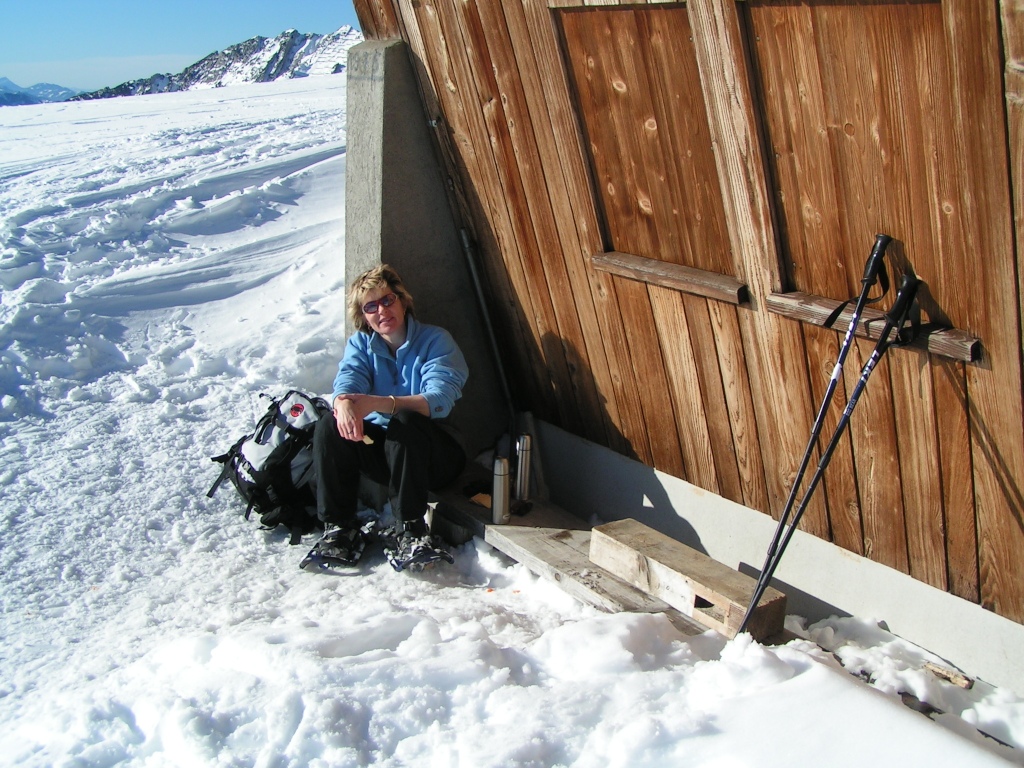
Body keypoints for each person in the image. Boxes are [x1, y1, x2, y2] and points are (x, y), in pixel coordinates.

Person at [301, 264, 469, 571]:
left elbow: (440, 399)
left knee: (405, 421)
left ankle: (411, 529)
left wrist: (378, 403)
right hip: (388, 455)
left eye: (388, 300)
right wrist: (344, 403)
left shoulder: (435, 341)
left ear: (402, 301)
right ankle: (339, 528)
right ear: (363, 316)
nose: (382, 311)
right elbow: (348, 380)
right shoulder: (361, 345)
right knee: (329, 423)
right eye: (371, 306)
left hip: (434, 455)